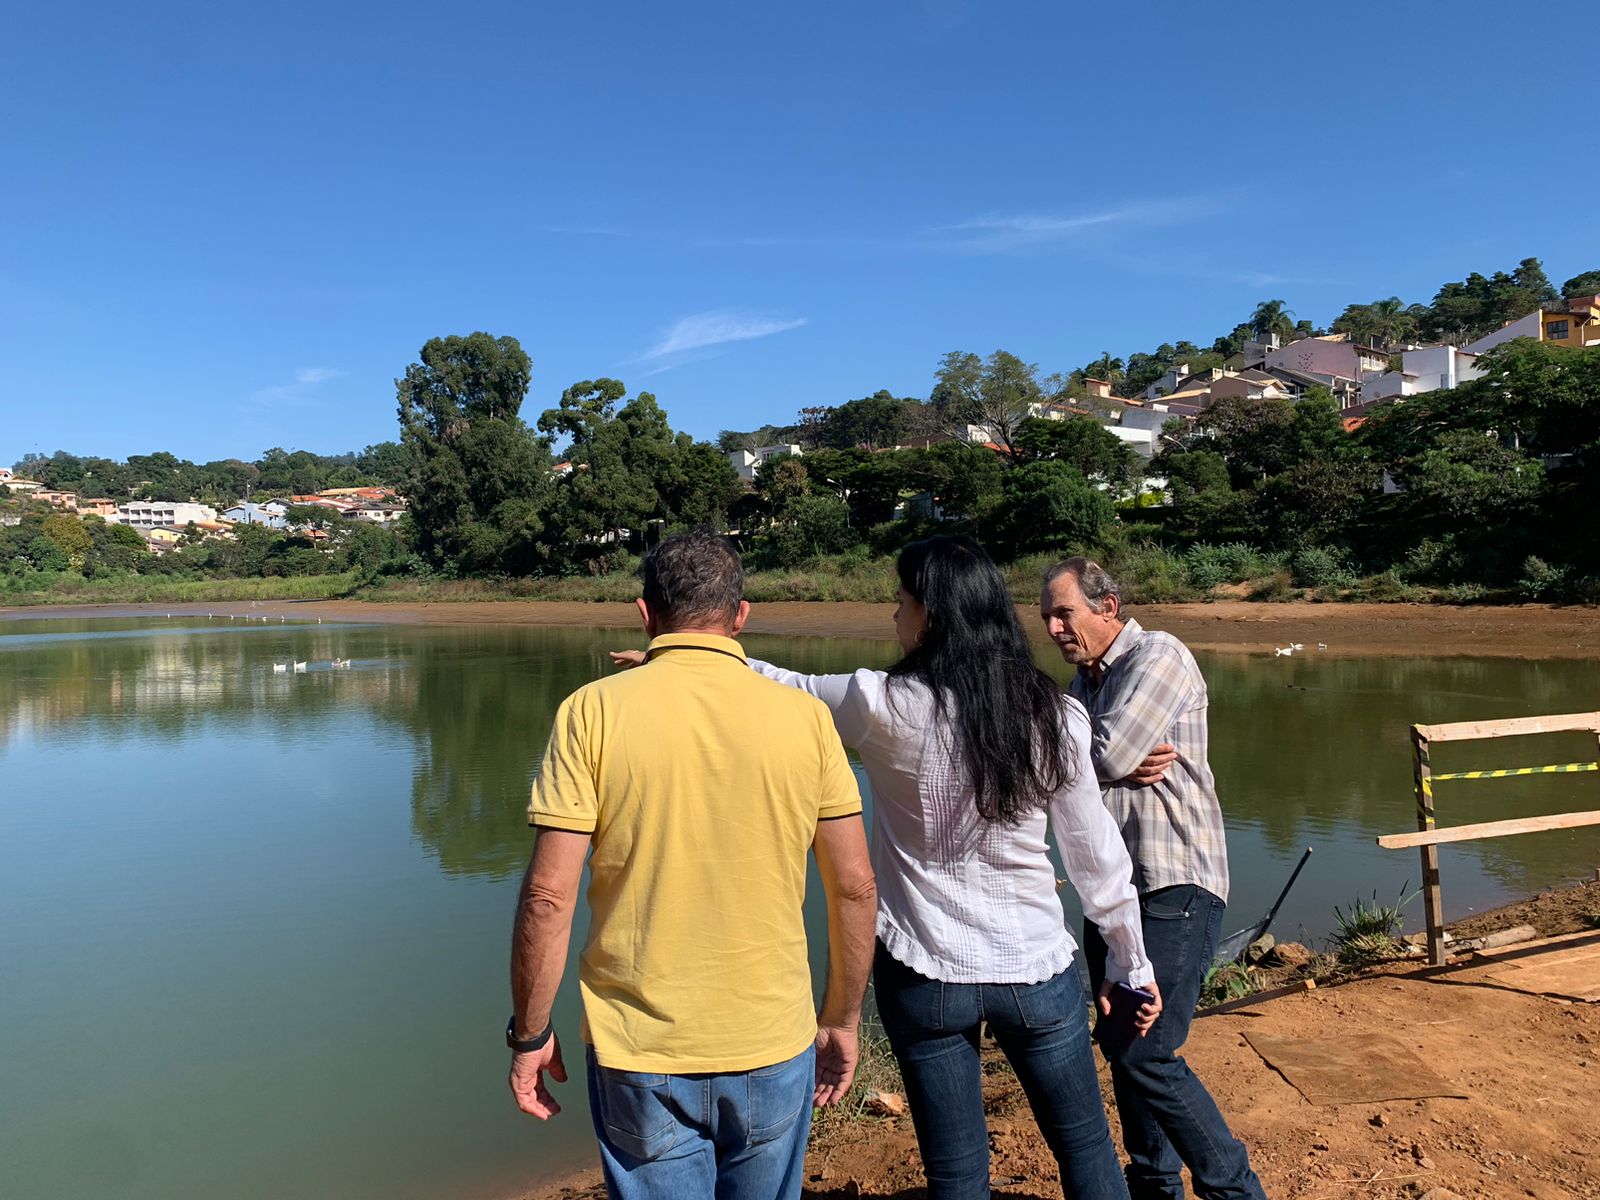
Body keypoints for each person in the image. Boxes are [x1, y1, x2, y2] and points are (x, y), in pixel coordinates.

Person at [618, 535, 1160, 1200]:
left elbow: (785, 686)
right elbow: (1098, 862)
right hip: (1037, 970)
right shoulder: (1055, 714)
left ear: (931, 615)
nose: (893, 617)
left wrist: (676, 662)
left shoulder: (881, 704)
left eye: (900, 603)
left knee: (957, 1175)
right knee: (1083, 1147)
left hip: (925, 976)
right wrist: (1131, 967)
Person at [508, 530, 877, 1200]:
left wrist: (530, 1032)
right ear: (740, 616)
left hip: (639, 1049)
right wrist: (842, 1018)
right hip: (773, 1037)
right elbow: (854, 888)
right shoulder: (807, 719)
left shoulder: (590, 712)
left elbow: (546, 897)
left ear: (645, 615)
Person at [1040, 557, 1267, 1200]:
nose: (1055, 627)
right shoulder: (1079, 690)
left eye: (1066, 613)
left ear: (1107, 607)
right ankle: (1154, 1184)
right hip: (1113, 894)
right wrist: (1100, 764)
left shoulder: (1158, 655)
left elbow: (1099, 755)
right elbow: (1075, 765)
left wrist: (1096, 764)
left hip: (1174, 881)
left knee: (1146, 1051)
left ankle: (1234, 1188)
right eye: (1048, 617)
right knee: (1121, 1042)